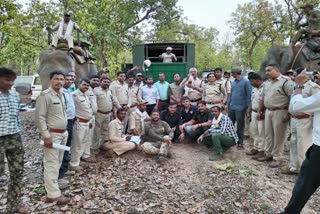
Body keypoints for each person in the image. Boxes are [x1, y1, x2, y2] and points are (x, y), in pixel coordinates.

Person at [281, 71, 320, 214]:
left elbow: (297, 106)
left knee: (304, 184)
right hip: (297, 121)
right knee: (294, 144)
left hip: (318, 149)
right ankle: (293, 166)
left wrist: (298, 87)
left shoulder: (313, 88)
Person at [35, 70, 69, 205]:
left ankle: (52, 189)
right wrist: (45, 135)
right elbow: (39, 117)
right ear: (50, 80)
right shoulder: (45, 95)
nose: (59, 81)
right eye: (56, 79)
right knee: (51, 164)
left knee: (58, 162)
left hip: (63, 133)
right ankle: (53, 195)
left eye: (62, 79)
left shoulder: (62, 94)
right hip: (52, 135)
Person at [0, 68, 29, 213]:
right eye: (7, 80)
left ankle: (13, 204)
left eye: (12, 80)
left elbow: (17, 115)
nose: (11, 83)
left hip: (14, 137)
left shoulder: (14, 95)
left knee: (17, 171)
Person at [257, 64, 293, 168]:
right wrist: (260, 111)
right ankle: (268, 154)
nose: (266, 72)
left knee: (279, 136)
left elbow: (292, 98)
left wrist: (288, 114)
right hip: (268, 111)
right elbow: (262, 98)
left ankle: (278, 158)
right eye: (266, 71)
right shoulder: (267, 83)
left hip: (281, 111)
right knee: (268, 134)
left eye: (269, 70)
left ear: (277, 70)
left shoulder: (286, 81)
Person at [69, 78, 95, 171]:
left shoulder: (86, 95)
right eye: (84, 85)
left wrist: (90, 121)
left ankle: (78, 161)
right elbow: (70, 110)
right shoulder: (74, 95)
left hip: (87, 123)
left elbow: (88, 110)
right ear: (79, 84)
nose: (86, 87)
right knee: (77, 144)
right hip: (79, 123)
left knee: (84, 143)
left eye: (87, 85)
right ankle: (74, 164)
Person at [91, 77, 121, 155]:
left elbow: (114, 100)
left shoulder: (110, 91)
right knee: (96, 132)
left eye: (108, 82)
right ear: (101, 82)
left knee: (104, 132)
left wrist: (120, 108)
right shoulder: (96, 90)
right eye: (105, 82)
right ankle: (94, 148)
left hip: (108, 114)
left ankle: (101, 146)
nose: (106, 83)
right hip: (99, 114)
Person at [227, 68, 252, 149]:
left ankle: (240, 143)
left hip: (240, 107)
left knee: (240, 126)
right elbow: (231, 94)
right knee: (230, 124)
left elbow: (249, 95)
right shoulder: (233, 82)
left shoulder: (246, 82)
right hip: (232, 107)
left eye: (232, 73)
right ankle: (229, 141)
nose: (231, 74)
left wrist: (247, 108)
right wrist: (229, 104)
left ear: (236, 73)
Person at [59, 74, 76, 179]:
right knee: (61, 147)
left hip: (70, 121)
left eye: (71, 79)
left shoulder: (68, 91)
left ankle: (64, 169)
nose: (69, 81)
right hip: (63, 123)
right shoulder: (60, 92)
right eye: (67, 79)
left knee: (67, 146)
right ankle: (59, 173)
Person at [246, 73, 266, 159]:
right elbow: (252, 100)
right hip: (253, 112)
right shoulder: (254, 89)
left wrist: (261, 112)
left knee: (261, 132)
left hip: (261, 113)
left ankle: (262, 151)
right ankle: (255, 148)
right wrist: (249, 110)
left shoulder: (266, 88)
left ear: (258, 80)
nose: (251, 83)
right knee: (253, 132)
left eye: (252, 81)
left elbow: (265, 101)